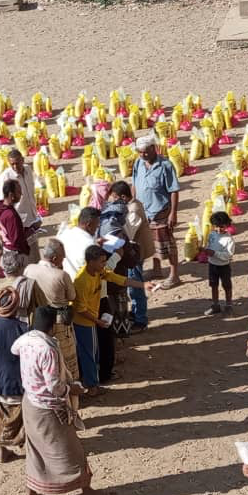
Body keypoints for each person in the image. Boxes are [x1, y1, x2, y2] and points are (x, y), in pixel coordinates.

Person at [12, 306, 118, 495]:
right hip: (49, 408)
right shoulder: (48, 348)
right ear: (52, 327)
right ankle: (88, 494)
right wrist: (72, 389)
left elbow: (13, 349)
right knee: (73, 451)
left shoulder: (25, 340)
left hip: (30, 404)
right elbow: (54, 386)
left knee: (36, 452)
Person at [72, 245, 151, 395]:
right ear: (91, 262)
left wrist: (143, 285)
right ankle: (92, 386)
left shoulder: (98, 272)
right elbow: (80, 309)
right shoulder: (82, 281)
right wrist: (97, 321)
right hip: (84, 323)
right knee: (90, 354)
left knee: (92, 353)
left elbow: (119, 279)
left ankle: (91, 383)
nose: (104, 265)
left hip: (90, 321)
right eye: (101, 262)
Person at [0, 286, 29, 461]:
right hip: (20, 382)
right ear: (16, 306)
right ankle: (28, 448)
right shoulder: (25, 328)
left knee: (0, 415)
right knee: (24, 417)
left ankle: (2, 450)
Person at [102, 181, 154, 333]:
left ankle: (140, 320)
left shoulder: (133, 210)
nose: (112, 200)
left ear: (123, 197)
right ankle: (136, 313)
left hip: (134, 253)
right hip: (131, 250)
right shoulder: (131, 206)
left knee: (135, 285)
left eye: (114, 197)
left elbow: (127, 234)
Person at [24, 238, 79, 381]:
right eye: (62, 255)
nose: (65, 258)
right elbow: (72, 296)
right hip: (59, 319)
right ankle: (70, 389)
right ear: (55, 258)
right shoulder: (61, 275)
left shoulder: (29, 269)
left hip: (38, 320)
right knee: (66, 356)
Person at [132, 134, 181, 288]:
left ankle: (174, 275)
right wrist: (133, 204)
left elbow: (173, 190)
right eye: (140, 152)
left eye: (145, 151)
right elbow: (134, 184)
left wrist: (173, 212)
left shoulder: (165, 165)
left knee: (167, 243)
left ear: (154, 148)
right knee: (151, 242)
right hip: (144, 211)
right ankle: (157, 269)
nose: (142, 155)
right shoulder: (138, 163)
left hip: (161, 211)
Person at [0, 149, 42, 260]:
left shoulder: (28, 170)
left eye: (17, 163)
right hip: (18, 223)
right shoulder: (5, 177)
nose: (15, 166)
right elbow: (1, 202)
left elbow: (31, 193)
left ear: (23, 160)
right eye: (12, 164)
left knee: (34, 255)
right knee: (22, 256)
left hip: (32, 219)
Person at [0, 179, 39, 262]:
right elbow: (17, 240)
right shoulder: (11, 215)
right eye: (18, 192)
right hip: (15, 255)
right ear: (11, 195)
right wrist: (32, 230)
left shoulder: (1, 208)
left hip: (7, 249)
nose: (21, 194)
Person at [0, 248, 43, 322]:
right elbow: (42, 306)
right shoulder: (31, 284)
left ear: (3, 268)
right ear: (19, 266)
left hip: (5, 328)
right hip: (29, 327)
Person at [204, 211, 235, 316]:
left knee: (227, 286)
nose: (218, 229)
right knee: (213, 285)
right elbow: (209, 245)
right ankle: (215, 305)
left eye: (221, 227)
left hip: (224, 266)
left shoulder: (229, 240)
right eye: (216, 226)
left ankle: (229, 305)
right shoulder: (212, 234)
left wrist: (214, 253)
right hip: (212, 264)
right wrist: (204, 250)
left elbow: (228, 255)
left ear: (227, 225)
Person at [60, 207, 103, 278]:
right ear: (88, 225)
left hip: (67, 279)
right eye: (97, 224)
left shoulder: (65, 233)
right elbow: (100, 270)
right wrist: (117, 255)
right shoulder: (90, 244)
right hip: (83, 284)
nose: (98, 227)